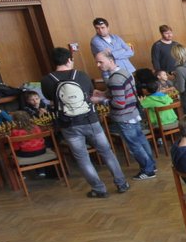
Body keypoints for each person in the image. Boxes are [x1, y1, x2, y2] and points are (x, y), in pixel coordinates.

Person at [41, 47, 128, 197]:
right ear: (69, 60)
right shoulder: (81, 75)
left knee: (82, 158)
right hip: (90, 119)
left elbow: (51, 99)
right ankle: (121, 184)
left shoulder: (47, 80)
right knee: (106, 152)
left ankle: (99, 189)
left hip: (68, 124)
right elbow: (89, 93)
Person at [94, 50, 157, 180]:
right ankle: (151, 165)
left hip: (124, 117)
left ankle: (148, 170)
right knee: (141, 140)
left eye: (100, 62)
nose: (98, 65)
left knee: (134, 145)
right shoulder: (124, 72)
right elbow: (120, 92)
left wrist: (100, 100)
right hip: (133, 112)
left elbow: (119, 103)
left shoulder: (115, 79)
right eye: (97, 62)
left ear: (110, 60)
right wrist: (103, 93)